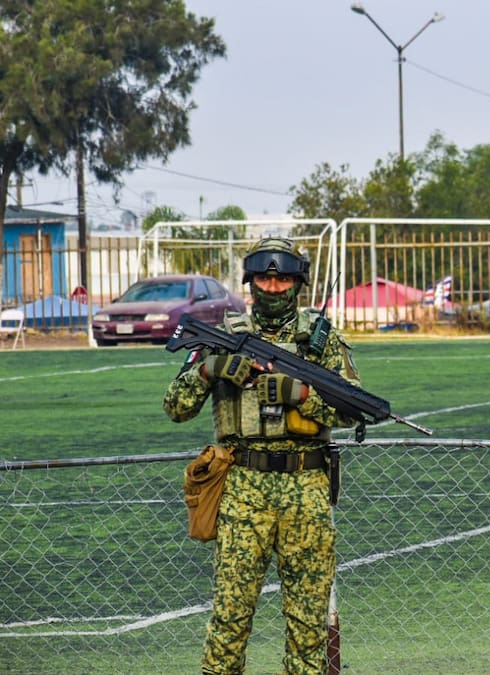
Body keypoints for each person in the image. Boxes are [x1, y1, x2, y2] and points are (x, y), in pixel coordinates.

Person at [164, 237, 361, 675]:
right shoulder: (223, 337)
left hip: (306, 492)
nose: (273, 288)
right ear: (251, 281)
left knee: (308, 628)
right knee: (229, 622)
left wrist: (303, 395)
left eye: (283, 278)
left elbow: (353, 408)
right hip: (242, 492)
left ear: (297, 283)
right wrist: (208, 370)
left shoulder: (321, 341)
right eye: (265, 278)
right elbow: (175, 407)